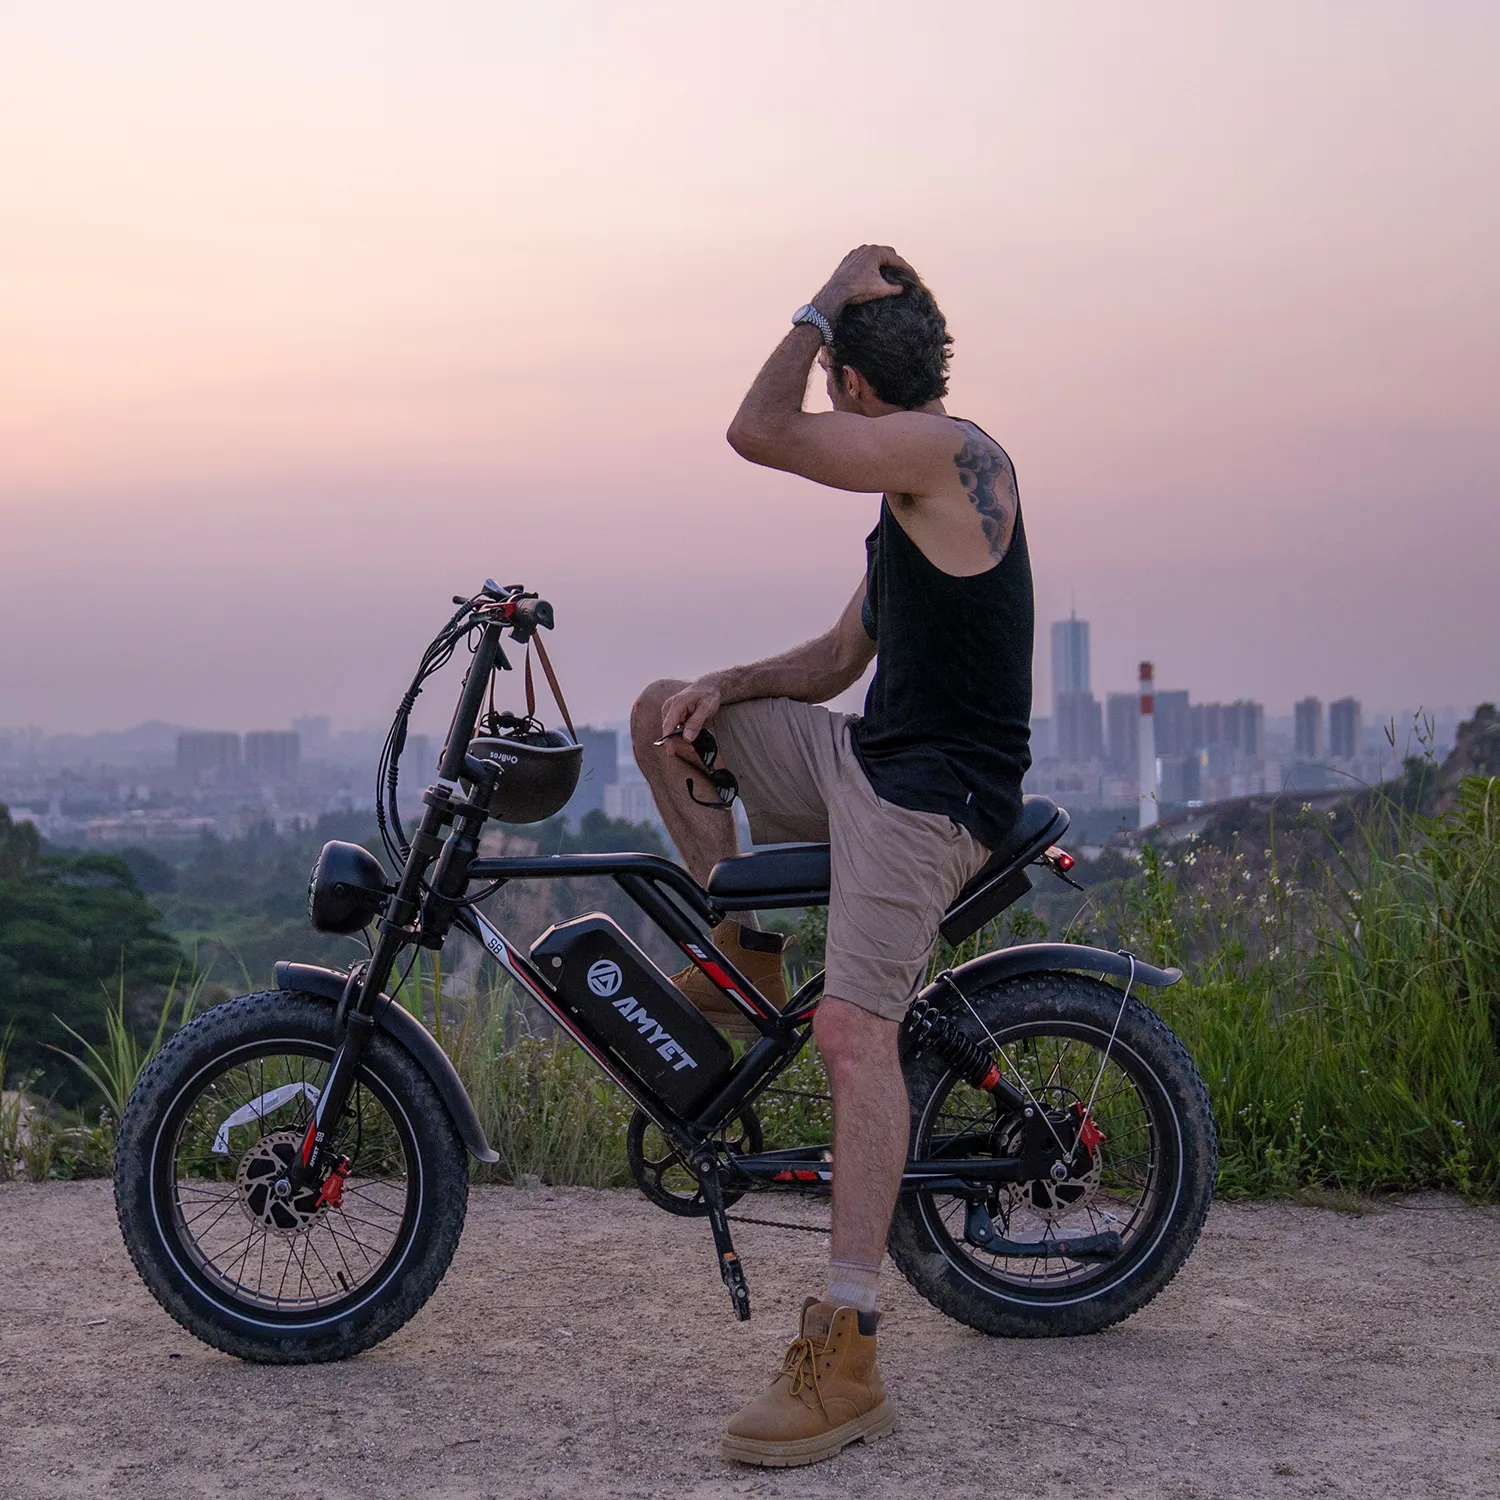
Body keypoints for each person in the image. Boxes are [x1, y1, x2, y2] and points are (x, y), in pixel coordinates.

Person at [631, 245, 1034, 1467]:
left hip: (929, 805)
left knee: (855, 1033)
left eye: (834, 375)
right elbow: (839, 660)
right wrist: (726, 687)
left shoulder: (947, 451)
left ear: (854, 389)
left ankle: (849, 1349)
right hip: (863, 762)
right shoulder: (904, 504)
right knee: (662, 713)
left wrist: (819, 297)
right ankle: (743, 953)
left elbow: (758, 429)